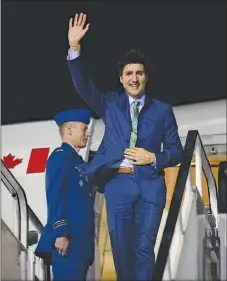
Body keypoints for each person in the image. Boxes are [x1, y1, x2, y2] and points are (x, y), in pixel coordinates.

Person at [66, 13, 183, 280]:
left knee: (144, 249)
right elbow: (83, 85)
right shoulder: (110, 104)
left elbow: (176, 151)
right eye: (128, 73)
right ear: (120, 79)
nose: (134, 78)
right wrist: (74, 48)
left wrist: (153, 157)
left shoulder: (163, 111)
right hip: (118, 185)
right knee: (121, 251)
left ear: (146, 77)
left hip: (150, 185)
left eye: (139, 73)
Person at [35, 109, 95, 281]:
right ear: (70, 129)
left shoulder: (76, 161)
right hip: (68, 240)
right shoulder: (60, 157)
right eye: (84, 129)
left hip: (79, 242)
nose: (88, 133)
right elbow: (55, 195)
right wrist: (61, 233)